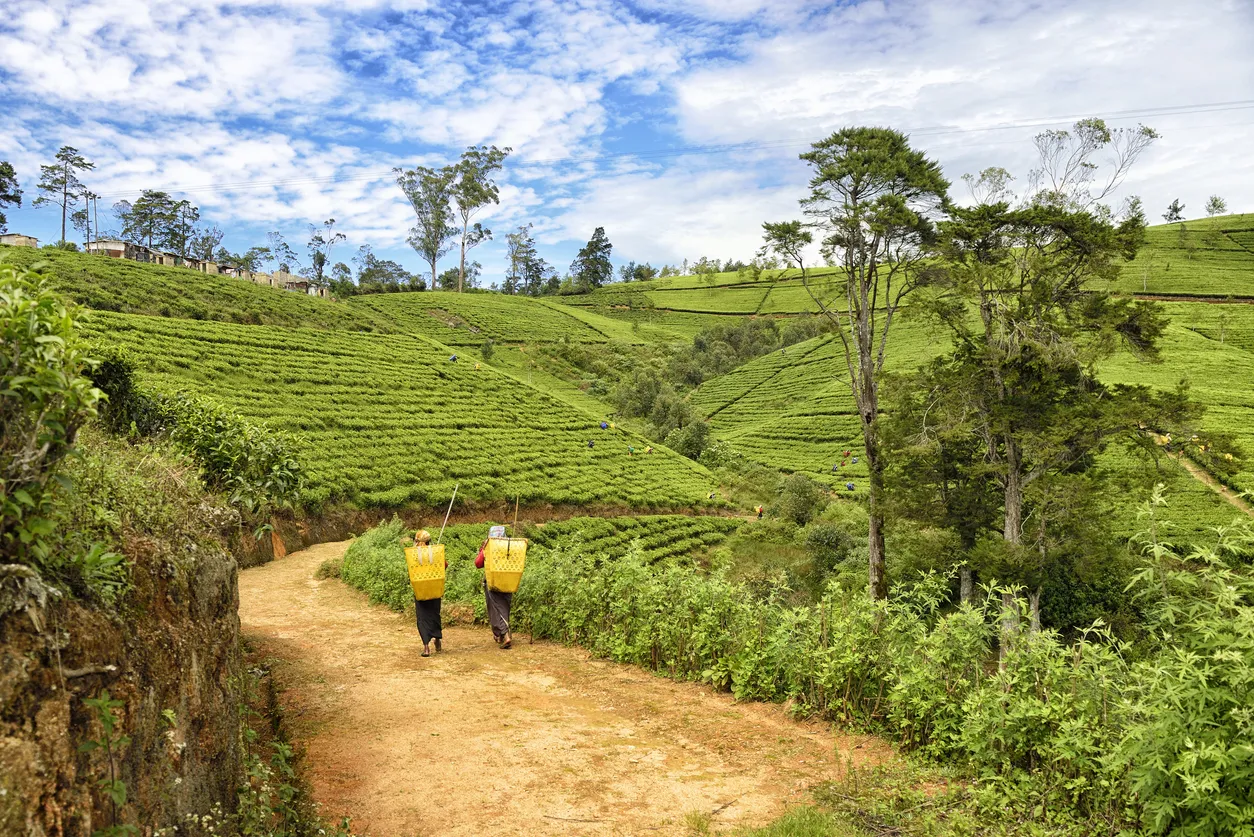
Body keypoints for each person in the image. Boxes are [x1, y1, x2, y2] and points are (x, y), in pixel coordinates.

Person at [475, 525, 513, 649]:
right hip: (508, 581)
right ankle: (503, 633)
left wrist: (484, 548)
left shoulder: (489, 547)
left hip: (493, 582)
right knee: (504, 607)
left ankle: (505, 635)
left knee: (495, 608)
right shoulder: (510, 547)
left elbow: (478, 563)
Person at [411, 529, 446, 658]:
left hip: (421, 589)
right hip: (435, 588)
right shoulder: (435, 553)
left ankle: (426, 647)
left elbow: (410, 569)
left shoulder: (414, 555)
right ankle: (437, 639)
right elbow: (444, 565)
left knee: (423, 617)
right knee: (434, 614)